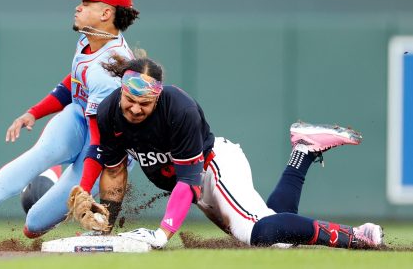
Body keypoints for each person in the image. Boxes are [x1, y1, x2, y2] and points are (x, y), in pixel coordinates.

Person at [89, 55, 384, 249]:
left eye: (146, 103)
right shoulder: (108, 114)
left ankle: (354, 236)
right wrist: (104, 228)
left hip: (214, 168)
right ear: (122, 91)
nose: (137, 108)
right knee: (275, 235)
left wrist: (163, 233)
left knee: (259, 234)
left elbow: (187, 182)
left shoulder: (179, 109)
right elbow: (114, 173)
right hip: (197, 185)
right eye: (131, 99)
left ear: (158, 96)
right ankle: (304, 152)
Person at [0, 0, 140, 239]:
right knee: (40, 153)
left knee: (33, 226)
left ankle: (51, 183)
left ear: (106, 13)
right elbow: (75, 79)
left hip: (107, 149)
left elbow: (98, 141)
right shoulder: (90, 40)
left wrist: (83, 190)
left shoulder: (109, 68)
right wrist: (34, 112)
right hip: (80, 118)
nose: (78, 7)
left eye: (86, 2)